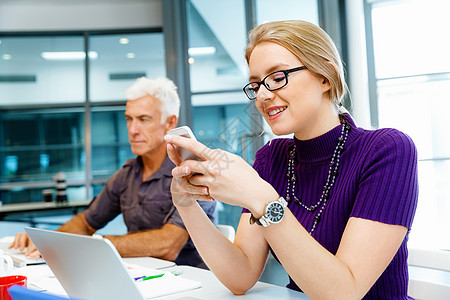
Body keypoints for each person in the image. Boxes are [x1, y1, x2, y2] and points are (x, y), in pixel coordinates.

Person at [164, 20, 418, 299]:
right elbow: (241, 275)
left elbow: (345, 292)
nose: (261, 94)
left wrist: (262, 199)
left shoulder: (387, 150)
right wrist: (184, 203)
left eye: (277, 77)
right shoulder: (272, 158)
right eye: (255, 84)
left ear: (326, 77)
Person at [9, 77, 217, 268]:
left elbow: (168, 245)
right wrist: (46, 241)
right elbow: (85, 222)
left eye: (143, 119)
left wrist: (94, 244)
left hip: (192, 283)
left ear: (170, 122)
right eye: (129, 119)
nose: (133, 129)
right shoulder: (127, 175)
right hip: (142, 277)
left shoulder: (192, 173)